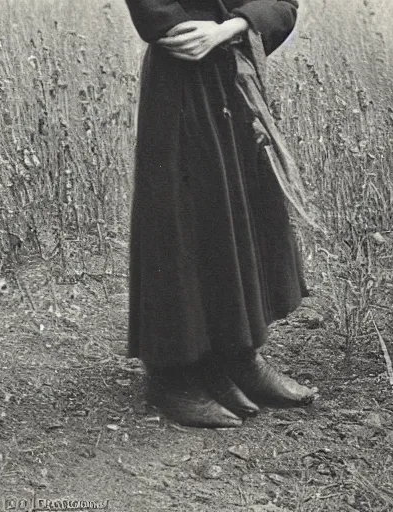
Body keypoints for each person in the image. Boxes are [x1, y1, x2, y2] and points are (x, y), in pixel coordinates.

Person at [125, 0, 316, 428]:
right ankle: (173, 375)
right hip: (180, 84)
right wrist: (210, 32)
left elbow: (283, 4)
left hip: (235, 78)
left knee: (238, 213)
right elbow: (159, 18)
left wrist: (230, 28)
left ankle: (236, 357)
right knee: (181, 220)